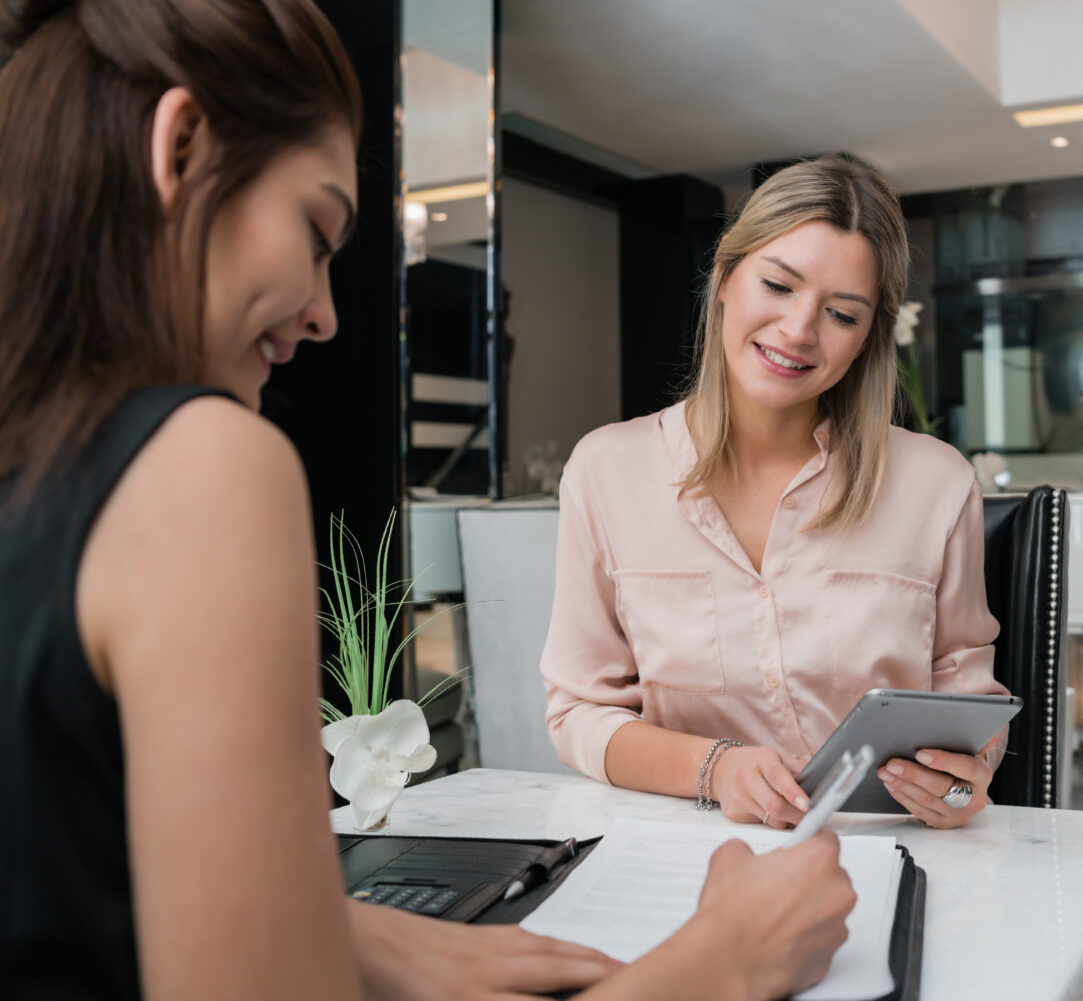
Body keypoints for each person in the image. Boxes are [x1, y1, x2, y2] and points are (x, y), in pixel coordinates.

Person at [0, 2, 854, 1000]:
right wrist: (721, 964)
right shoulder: (201, 464)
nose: (324, 313)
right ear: (180, 147)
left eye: (842, 311)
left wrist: (341, 928)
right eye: (318, 230)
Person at [541, 155, 1008, 832]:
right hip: (684, 853)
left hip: (886, 848)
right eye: (778, 285)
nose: (798, 329)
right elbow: (577, 714)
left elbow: (971, 702)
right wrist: (715, 767)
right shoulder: (605, 470)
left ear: (867, 339)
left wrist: (964, 783)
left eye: (841, 314)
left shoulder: (937, 483)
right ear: (726, 276)